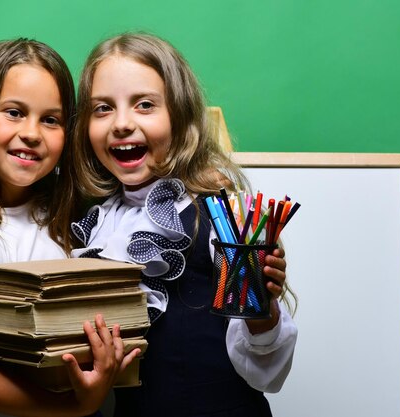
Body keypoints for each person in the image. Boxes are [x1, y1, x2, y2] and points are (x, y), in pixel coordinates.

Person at [68, 32, 298, 417]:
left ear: (180, 114)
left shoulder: (224, 218)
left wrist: (263, 310)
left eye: (144, 105)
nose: (122, 123)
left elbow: (267, 375)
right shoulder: (92, 223)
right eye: (103, 108)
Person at [0, 38, 139, 417]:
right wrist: (76, 407)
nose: (32, 133)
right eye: (14, 112)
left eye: (51, 119)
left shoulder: (81, 223)